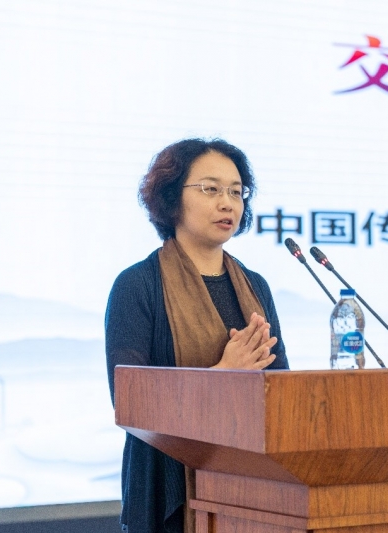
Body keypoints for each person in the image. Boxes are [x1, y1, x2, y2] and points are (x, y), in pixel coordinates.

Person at [105, 138, 288, 533]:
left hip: (253, 492)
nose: (227, 203)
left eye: (236, 192)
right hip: (166, 491)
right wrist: (223, 374)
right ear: (172, 198)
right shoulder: (138, 285)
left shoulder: (255, 287)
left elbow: (282, 390)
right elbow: (129, 403)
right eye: (210, 189)